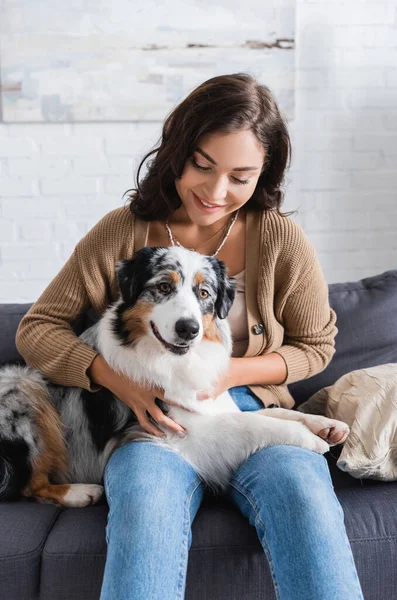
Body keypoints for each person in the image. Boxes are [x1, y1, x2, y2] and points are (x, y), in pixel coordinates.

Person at [16, 73, 364, 600]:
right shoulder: (122, 231)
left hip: (248, 407)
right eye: (203, 165)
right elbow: (37, 328)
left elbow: (316, 346)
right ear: (177, 151)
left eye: (240, 176)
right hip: (147, 421)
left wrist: (228, 374)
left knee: (303, 493)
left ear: (263, 174)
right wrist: (115, 379)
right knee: (143, 504)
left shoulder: (281, 239)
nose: (216, 191)